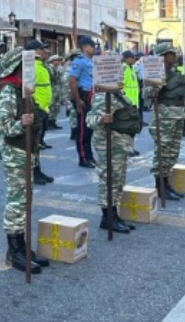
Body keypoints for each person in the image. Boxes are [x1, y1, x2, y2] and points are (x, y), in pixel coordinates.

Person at [0, 48, 47, 274]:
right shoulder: (9, 91)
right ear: (17, 67)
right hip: (15, 152)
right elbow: (2, 127)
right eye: (27, 65)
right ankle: (14, 252)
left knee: (25, 200)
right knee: (16, 201)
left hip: (27, 150)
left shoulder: (25, 88)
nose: (31, 69)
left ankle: (22, 246)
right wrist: (21, 123)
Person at [88, 83, 139, 235]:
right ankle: (107, 217)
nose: (122, 81)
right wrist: (102, 119)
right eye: (118, 78)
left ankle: (114, 214)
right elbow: (89, 120)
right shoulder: (102, 97)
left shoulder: (119, 95)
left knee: (118, 179)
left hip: (120, 144)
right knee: (109, 179)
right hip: (109, 143)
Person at [150, 44, 185, 203]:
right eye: (170, 54)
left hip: (178, 113)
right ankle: (160, 186)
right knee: (163, 151)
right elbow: (148, 94)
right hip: (165, 114)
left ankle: (167, 182)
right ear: (162, 56)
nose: (174, 57)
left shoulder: (173, 72)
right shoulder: (155, 72)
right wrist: (155, 88)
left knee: (173, 150)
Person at [24, 40, 55, 183]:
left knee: (36, 145)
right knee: (32, 145)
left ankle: (37, 171)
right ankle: (33, 173)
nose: (44, 52)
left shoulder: (41, 66)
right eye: (41, 49)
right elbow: (27, 90)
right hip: (37, 109)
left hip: (43, 108)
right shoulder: (30, 66)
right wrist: (34, 107)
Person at [68, 36, 98, 169]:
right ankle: (83, 158)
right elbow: (72, 80)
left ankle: (89, 156)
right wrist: (77, 100)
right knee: (82, 131)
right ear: (85, 47)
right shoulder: (79, 61)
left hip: (91, 96)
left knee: (89, 129)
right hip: (83, 96)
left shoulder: (91, 61)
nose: (94, 48)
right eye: (92, 46)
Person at [121, 51, 142, 157]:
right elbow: (121, 85)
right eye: (132, 58)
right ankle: (127, 149)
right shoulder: (123, 68)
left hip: (134, 102)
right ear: (126, 59)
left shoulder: (131, 68)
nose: (134, 59)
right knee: (127, 128)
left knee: (133, 128)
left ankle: (131, 147)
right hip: (127, 102)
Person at [46, 54, 66, 130]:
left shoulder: (57, 68)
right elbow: (53, 78)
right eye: (57, 60)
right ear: (52, 61)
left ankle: (53, 122)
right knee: (51, 106)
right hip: (52, 89)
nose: (59, 62)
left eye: (59, 60)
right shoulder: (50, 68)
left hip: (57, 90)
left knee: (56, 107)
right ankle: (49, 122)